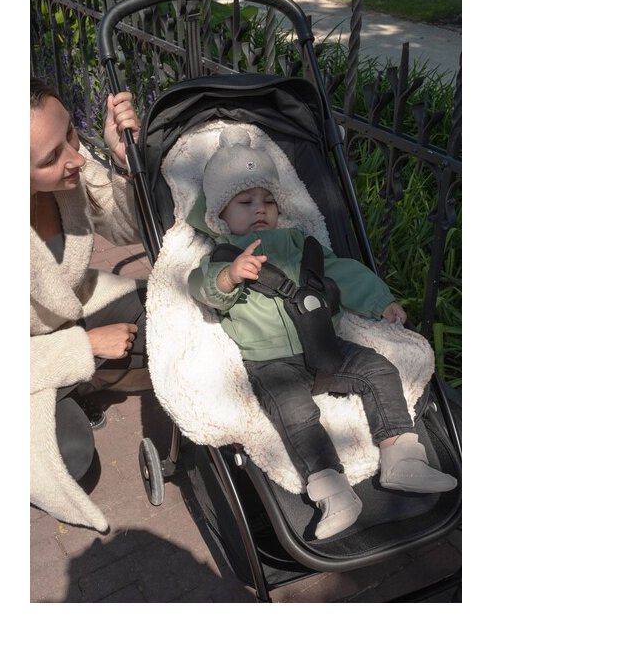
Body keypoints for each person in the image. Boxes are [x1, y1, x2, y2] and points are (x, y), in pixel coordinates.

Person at [187, 126, 457, 540]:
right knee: (296, 414)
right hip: (272, 363)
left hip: (325, 346)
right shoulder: (223, 257)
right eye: (245, 202)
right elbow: (202, 289)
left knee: (379, 370)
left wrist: (379, 301)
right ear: (219, 214)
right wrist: (229, 277)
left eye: (268, 200)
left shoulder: (297, 242)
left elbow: (340, 272)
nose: (260, 209)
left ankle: (402, 458)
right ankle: (334, 492)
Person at [29, 76, 149, 532]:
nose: (76, 158)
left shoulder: (72, 169)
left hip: (74, 308)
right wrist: (87, 346)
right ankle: (74, 381)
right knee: (71, 456)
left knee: (170, 318)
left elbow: (125, 228)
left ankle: (78, 384)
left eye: (71, 134)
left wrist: (123, 162)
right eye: (51, 158)